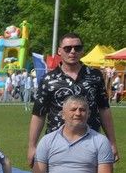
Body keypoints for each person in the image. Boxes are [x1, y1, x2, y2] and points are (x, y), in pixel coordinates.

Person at [28, 32, 118, 165]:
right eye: (67, 48)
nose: (72, 51)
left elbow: (104, 109)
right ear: (59, 51)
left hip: (90, 142)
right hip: (57, 143)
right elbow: (38, 114)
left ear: (82, 51)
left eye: (77, 48)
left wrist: (112, 142)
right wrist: (32, 146)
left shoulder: (95, 76)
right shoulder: (48, 80)